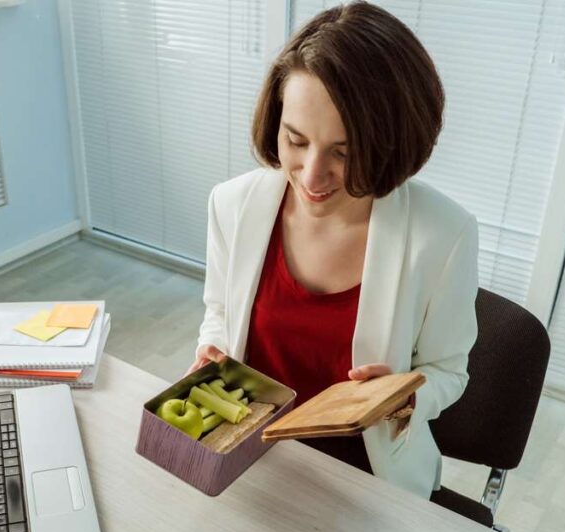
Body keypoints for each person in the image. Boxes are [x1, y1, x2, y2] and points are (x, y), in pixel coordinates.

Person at [189, 1, 478, 499]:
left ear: (391, 142)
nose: (312, 175)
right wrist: (213, 349)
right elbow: (219, 311)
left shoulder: (444, 235)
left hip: (367, 478)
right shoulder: (232, 204)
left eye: (343, 153)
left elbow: (449, 372)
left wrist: (402, 397)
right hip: (249, 460)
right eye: (295, 141)